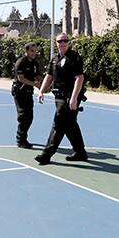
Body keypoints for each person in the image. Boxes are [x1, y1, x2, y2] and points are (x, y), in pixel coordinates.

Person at [33, 33, 89, 165]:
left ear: (69, 42)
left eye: (65, 40)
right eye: (60, 41)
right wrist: (41, 91)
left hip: (70, 97)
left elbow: (79, 78)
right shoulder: (55, 59)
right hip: (58, 96)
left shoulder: (74, 57)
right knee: (70, 125)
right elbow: (49, 76)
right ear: (56, 43)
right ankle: (80, 152)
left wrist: (74, 98)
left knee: (58, 123)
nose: (63, 43)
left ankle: (46, 155)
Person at [11, 42, 43, 149]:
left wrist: (42, 83)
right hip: (19, 91)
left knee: (30, 116)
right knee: (23, 116)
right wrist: (35, 84)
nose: (34, 53)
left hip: (29, 92)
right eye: (32, 51)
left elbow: (37, 75)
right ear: (26, 51)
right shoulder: (21, 62)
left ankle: (23, 136)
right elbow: (21, 78)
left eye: (35, 51)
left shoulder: (35, 63)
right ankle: (20, 140)